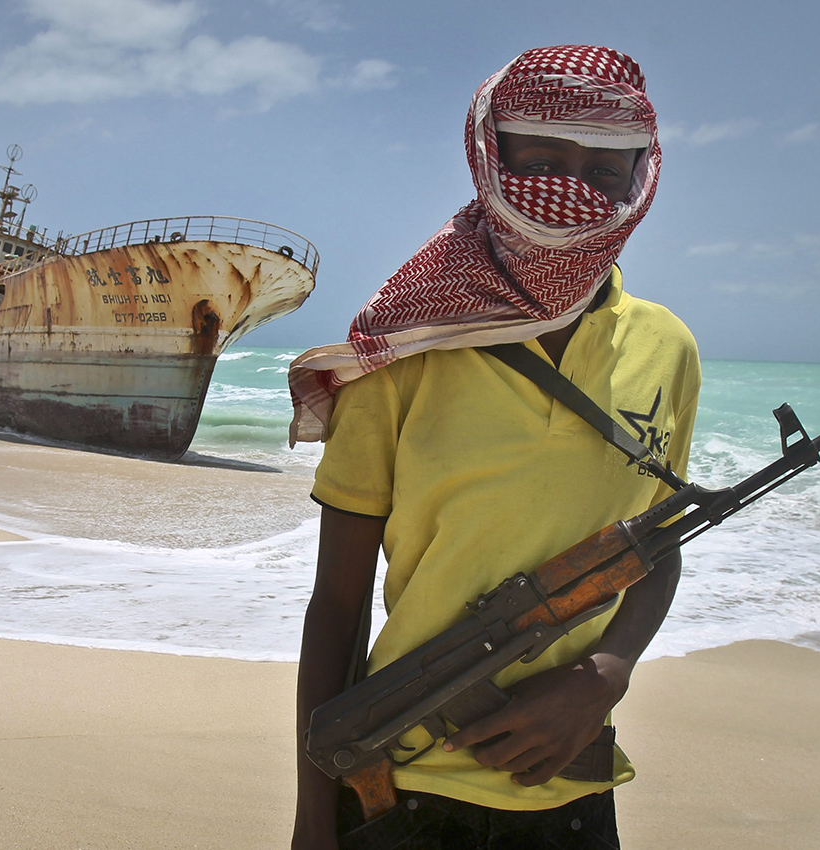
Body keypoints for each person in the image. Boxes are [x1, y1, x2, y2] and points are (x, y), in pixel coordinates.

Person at [288, 45, 701, 850]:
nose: (571, 190)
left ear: (638, 183)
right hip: (397, 788)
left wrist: (606, 675)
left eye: (604, 172)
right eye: (543, 159)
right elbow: (336, 608)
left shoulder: (667, 348)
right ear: (490, 159)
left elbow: (658, 541)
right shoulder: (403, 351)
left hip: (571, 786)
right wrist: (312, 825)